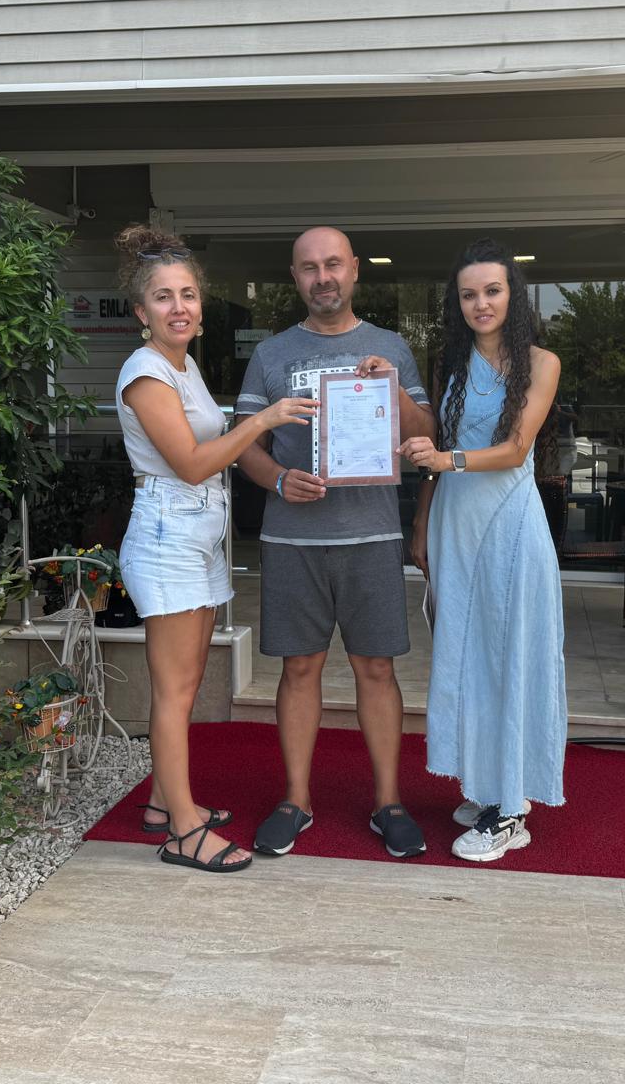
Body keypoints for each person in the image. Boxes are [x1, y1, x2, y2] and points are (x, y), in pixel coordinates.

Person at [112, 225, 317, 873]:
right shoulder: (146, 373)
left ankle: (162, 802)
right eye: (163, 297)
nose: (179, 307)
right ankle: (183, 831)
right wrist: (263, 420)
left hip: (196, 536)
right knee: (174, 692)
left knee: (189, 681)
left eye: (188, 295)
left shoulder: (184, 366)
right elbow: (194, 463)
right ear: (141, 312)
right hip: (167, 537)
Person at [235, 226, 436, 858]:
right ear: (295, 277)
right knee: (299, 667)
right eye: (308, 267)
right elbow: (245, 444)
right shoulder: (271, 353)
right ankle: (296, 799)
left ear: (354, 270)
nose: (322, 277)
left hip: (371, 532)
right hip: (292, 537)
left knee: (377, 667)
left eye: (333, 264)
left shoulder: (391, 346)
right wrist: (277, 478)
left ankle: (388, 802)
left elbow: (426, 433)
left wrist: (392, 388)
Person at [400, 238, 567, 862]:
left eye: (492, 290)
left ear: (512, 295)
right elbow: (433, 451)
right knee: (468, 654)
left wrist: (447, 460)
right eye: (469, 294)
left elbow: (517, 448)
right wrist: (423, 521)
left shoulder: (542, 363)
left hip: (508, 526)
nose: (481, 303)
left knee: (508, 656)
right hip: (454, 523)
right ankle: (487, 783)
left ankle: (511, 809)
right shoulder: (453, 364)